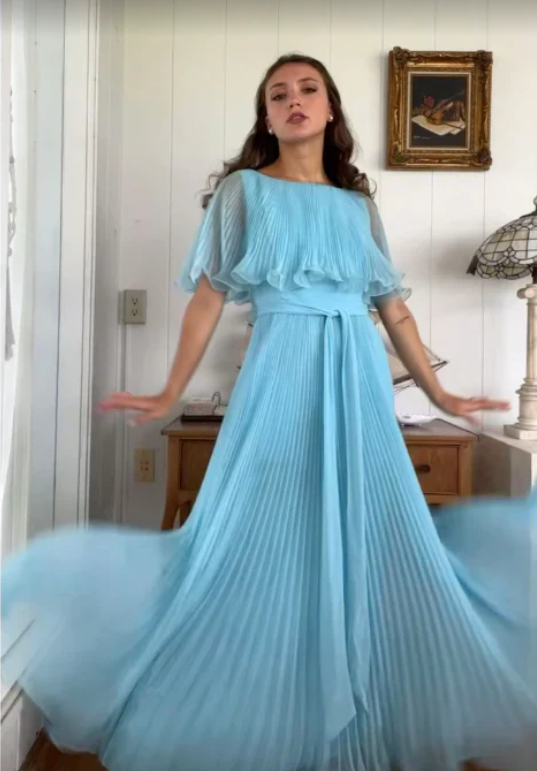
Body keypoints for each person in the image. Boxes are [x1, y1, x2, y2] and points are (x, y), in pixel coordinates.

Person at [2, 53, 537, 771]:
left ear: (330, 108)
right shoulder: (244, 192)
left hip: (356, 373)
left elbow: (394, 309)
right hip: (282, 365)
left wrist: (440, 395)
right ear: (266, 116)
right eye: (277, 94)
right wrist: (168, 391)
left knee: (369, 525)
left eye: (307, 89)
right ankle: (263, 697)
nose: (293, 100)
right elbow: (207, 299)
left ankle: (360, 702)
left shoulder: (358, 206)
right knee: (257, 522)